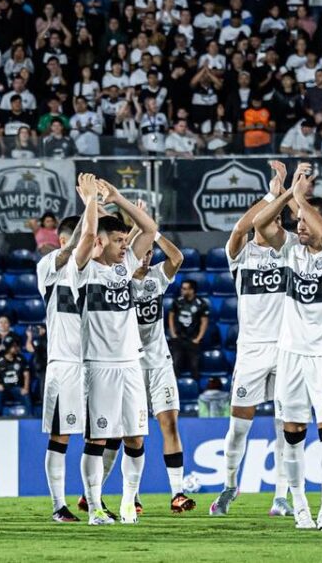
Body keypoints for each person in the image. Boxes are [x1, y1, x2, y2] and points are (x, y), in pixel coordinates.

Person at [254, 163, 322, 531]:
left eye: (304, 223)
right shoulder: (291, 252)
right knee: (292, 434)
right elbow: (261, 226)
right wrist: (286, 192)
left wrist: (301, 198)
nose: (299, 228)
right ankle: (300, 508)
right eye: (297, 223)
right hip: (292, 353)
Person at [73, 173, 159, 526]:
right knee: (97, 439)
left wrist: (118, 197)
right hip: (98, 365)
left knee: (135, 437)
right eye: (119, 240)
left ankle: (126, 501)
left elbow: (150, 230)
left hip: (130, 363)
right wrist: (91, 201)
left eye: (126, 240)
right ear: (101, 242)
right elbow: (88, 236)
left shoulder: (125, 267)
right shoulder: (82, 270)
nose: (126, 245)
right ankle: (94, 507)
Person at [211, 160, 293, 518]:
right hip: (252, 352)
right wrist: (272, 192)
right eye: (270, 217)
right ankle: (230, 485)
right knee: (237, 429)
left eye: (276, 218)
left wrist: (284, 193)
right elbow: (242, 227)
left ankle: (281, 496)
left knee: (285, 427)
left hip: (288, 349)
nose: (271, 223)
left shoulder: (290, 252)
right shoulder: (240, 255)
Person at [129, 218, 197, 514]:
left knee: (169, 424)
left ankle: (178, 493)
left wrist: (152, 231)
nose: (146, 255)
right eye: (140, 250)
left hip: (159, 363)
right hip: (129, 364)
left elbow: (177, 257)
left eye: (149, 250)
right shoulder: (119, 278)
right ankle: (131, 496)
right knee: (133, 434)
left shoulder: (158, 275)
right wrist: (136, 230)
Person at [36, 213, 85, 522]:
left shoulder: (93, 270)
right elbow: (70, 252)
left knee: (103, 437)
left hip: (95, 364)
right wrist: (91, 206)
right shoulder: (50, 266)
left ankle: (93, 499)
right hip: (64, 364)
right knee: (61, 436)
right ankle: (58, 505)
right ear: (65, 241)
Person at [167, 281, 209, 379]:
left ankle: (195, 388)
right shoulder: (177, 301)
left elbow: (204, 322)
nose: (182, 290)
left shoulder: (201, 303)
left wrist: (198, 339)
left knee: (195, 367)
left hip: (193, 340)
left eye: (185, 289)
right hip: (178, 339)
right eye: (182, 288)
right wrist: (173, 334)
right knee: (175, 365)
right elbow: (171, 317)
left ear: (192, 290)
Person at [0, 338, 32, 412]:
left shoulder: (20, 359)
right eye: (13, 346)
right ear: (8, 348)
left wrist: (26, 388)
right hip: (3, 387)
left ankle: (31, 416)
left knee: (26, 395)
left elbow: (26, 374)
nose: (16, 348)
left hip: (17, 387)